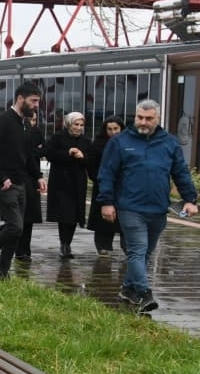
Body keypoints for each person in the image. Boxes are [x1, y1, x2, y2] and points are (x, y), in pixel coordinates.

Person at [96, 99, 199, 313]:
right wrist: (106, 202)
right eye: (139, 117)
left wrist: (190, 199)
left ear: (158, 119)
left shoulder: (169, 143)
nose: (143, 122)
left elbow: (180, 172)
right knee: (137, 250)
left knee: (145, 254)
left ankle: (128, 289)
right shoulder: (120, 142)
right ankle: (144, 293)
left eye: (148, 118)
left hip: (158, 209)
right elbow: (107, 173)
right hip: (130, 207)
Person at [0, 82, 44, 279]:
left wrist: (38, 176)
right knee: (15, 226)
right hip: (6, 185)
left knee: (17, 229)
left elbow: (28, 155)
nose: (36, 105)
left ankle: (3, 272)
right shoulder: (3, 121)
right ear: (20, 98)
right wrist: (2, 177)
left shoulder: (25, 124)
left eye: (38, 101)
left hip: (21, 183)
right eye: (33, 101)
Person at [44, 112, 90, 260]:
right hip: (61, 182)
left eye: (81, 125)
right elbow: (50, 154)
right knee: (64, 214)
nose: (79, 127)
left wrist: (82, 157)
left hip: (78, 182)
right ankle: (64, 243)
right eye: (76, 124)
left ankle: (67, 243)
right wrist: (68, 153)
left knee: (75, 215)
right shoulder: (58, 137)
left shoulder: (85, 141)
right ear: (69, 124)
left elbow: (90, 161)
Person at [87, 117, 125, 254]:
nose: (113, 132)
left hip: (123, 188)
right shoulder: (98, 145)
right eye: (110, 129)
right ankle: (103, 247)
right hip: (102, 186)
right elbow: (91, 166)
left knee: (125, 219)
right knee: (103, 221)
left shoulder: (127, 143)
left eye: (116, 129)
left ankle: (127, 248)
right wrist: (100, 179)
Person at [14, 111, 46, 262]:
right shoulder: (17, 132)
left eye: (34, 120)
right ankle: (18, 248)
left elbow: (42, 150)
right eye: (30, 120)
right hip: (19, 176)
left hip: (32, 178)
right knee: (18, 215)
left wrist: (38, 175)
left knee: (30, 216)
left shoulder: (36, 132)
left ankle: (25, 249)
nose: (32, 123)